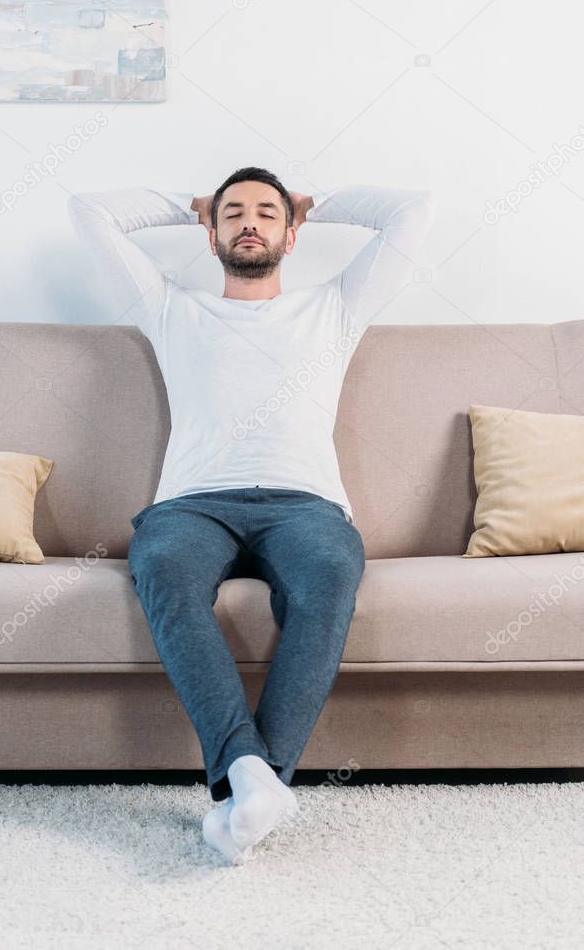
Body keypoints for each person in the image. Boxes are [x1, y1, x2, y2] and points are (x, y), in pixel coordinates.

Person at [67, 167, 436, 865]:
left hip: (305, 505)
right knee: (162, 564)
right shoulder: (170, 307)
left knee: (330, 571)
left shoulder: (335, 307)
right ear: (210, 234)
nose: (248, 221)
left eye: (266, 212)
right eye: (232, 212)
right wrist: (190, 203)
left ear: (291, 234)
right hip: (192, 504)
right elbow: (89, 207)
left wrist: (314, 200)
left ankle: (247, 782)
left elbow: (413, 209)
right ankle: (250, 775)